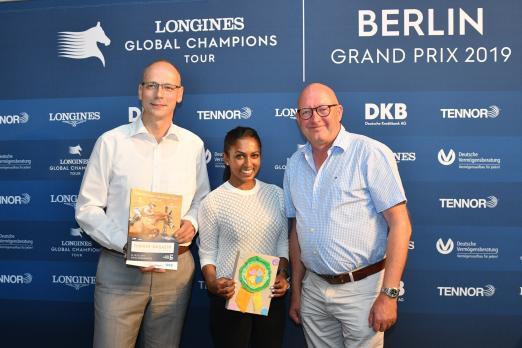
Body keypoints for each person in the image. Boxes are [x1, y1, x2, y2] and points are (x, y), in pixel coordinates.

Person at [75, 60, 210, 348]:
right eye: (152, 85)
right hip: (119, 271)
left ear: (180, 93)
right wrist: (126, 243)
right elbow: (87, 208)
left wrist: (193, 222)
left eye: (168, 87)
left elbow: (202, 200)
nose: (159, 94)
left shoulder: (193, 145)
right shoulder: (111, 142)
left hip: (174, 274)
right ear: (140, 91)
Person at [284, 83, 411, 348]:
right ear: (298, 119)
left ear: (339, 111)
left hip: (362, 291)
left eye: (322, 109)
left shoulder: (370, 153)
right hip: (314, 291)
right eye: (306, 112)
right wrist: (296, 292)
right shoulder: (294, 164)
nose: (315, 118)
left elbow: (400, 225)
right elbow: (297, 231)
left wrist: (389, 295)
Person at [198, 126, 289, 348]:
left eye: (254, 155)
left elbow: (282, 243)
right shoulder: (213, 201)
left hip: (270, 299)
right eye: (240, 156)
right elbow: (208, 252)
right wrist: (212, 282)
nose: (248, 164)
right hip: (230, 298)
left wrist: (284, 275)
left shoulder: (276, 195)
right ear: (226, 158)